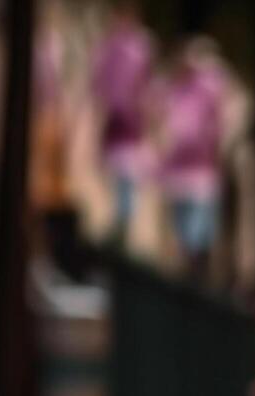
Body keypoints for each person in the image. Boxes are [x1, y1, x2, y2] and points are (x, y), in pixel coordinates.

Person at [156, 37, 230, 280]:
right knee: (192, 231)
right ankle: (192, 269)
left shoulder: (190, 92)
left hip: (195, 175)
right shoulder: (183, 93)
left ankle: (193, 269)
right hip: (191, 175)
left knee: (194, 231)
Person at [90, 4, 153, 244]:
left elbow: (141, 84)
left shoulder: (137, 47)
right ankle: (120, 223)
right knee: (117, 175)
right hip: (116, 121)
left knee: (126, 176)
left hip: (129, 123)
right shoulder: (111, 46)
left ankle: (123, 226)